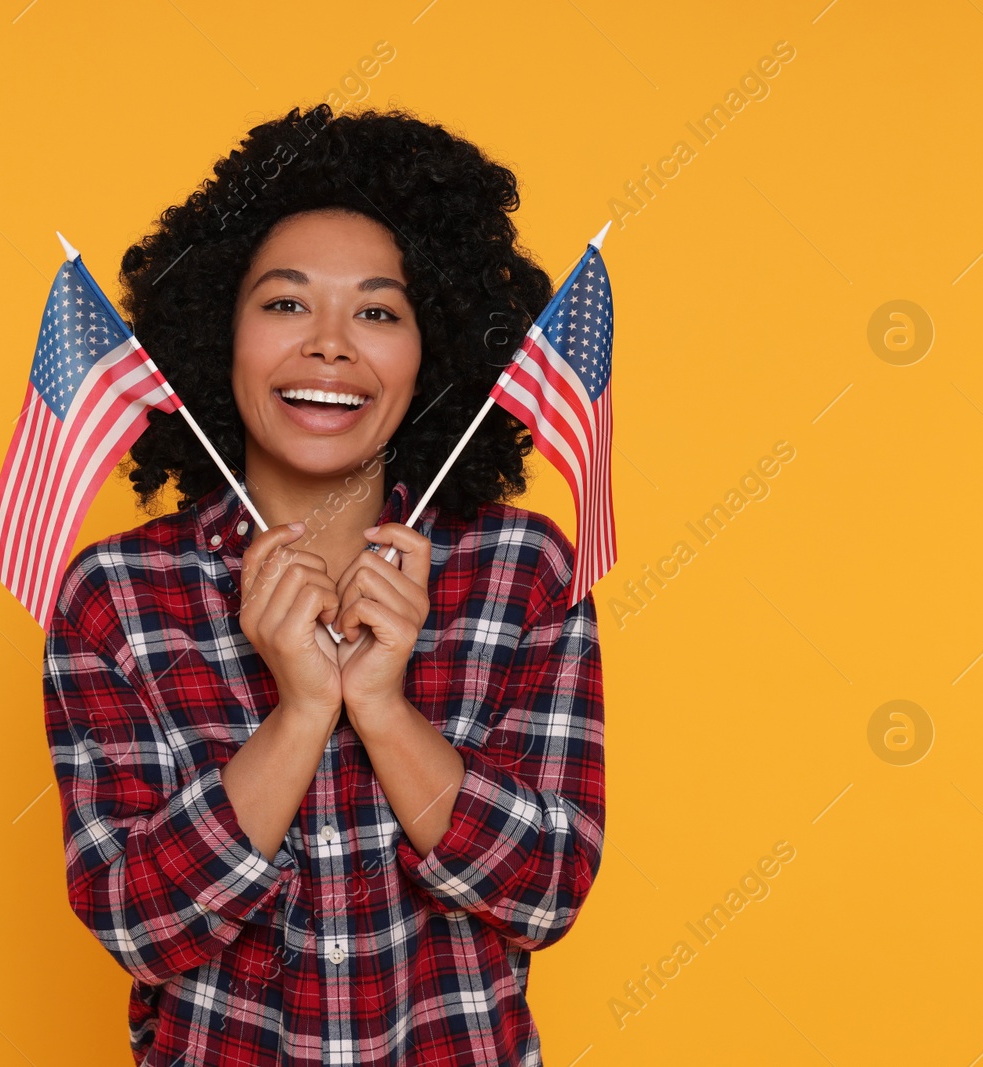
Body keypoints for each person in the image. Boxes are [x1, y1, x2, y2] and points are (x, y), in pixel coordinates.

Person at [41, 102, 606, 1067]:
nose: (331, 345)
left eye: (378, 311)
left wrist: (381, 708)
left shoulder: (525, 571)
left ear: (437, 350)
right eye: (287, 302)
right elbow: (138, 923)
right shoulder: (117, 596)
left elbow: (545, 890)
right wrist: (301, 712)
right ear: (220, 330)